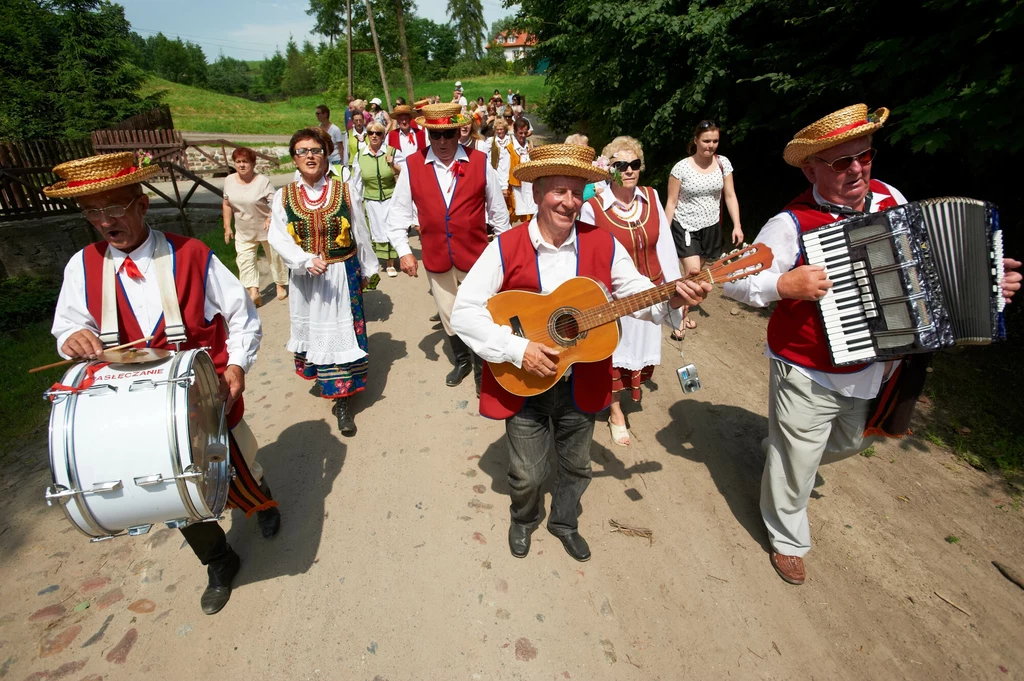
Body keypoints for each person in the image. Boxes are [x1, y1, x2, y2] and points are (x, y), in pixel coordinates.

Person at [721, 104, 1022, 586]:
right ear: (811, 167)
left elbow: (926, 272)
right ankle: (787, 538)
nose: (858, 169)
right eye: (842, 162)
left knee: (849, 444)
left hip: (877, 365)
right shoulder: (791, 223)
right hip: (807, 365)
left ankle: (781, 457)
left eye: (864, 156)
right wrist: (784, 286)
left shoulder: (890, 198)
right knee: (798, 457)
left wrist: (987, 287)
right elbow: (734, 282)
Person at [44, 151, 280, 616]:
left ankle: (261, 502)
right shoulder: (82, 266)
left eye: (115, 208)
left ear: (142, 206)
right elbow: (66, 326)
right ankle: (218, 559)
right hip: (134, 410)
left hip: (206, 395)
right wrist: (71, 337)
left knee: (240, 457)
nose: (104, 221)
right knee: (173, 488)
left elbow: (241, 316)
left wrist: (237, 366)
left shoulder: (192, 255)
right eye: (93, 211)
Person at [450, 143, 711, 562]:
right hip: (524, 380)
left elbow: (636, 293)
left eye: (577, 193)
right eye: (558, 191)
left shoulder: (602, 244)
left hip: (581, 379)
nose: (569, 202)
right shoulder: (505, 246)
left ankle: (565, 522)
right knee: (528, 473)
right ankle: (525, 517)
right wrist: (518, 348)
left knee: (577, 467)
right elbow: (464, 312)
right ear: (536, 194)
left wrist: (673, 299)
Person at [386, 103, 511, 393]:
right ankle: (463, 360)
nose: (442, 142)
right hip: (437, 256)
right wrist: (404, 251)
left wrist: (505, 254)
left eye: (449, 134)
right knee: (450, 315)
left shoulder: (479, 162)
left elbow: (499, 214)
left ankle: (484, 370)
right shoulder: (412, 166)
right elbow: (398, 215)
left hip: (476, 256)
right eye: (436, 136)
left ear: (459, 133)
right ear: (428, 135)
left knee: (481, 314)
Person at [268, 128, 378, 436]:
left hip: (342, 273)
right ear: (294, 158)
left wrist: (368, 266)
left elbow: (360, 230)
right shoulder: (284, 196)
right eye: (302, 151)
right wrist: (303, 260)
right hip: (306, 279)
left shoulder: (344, 190)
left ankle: (342, 399)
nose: (310, 156)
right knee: (317, 333)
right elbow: (276, 236)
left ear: (325, 154)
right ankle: (325, 378)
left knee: (343, 330)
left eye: (315, 150)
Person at [579, 136, 681, 446]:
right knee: (614, 354)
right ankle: (615, 412)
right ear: (608, 169)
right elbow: (587, 259)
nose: (629, 170)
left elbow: (665, 245)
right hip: (616, 300)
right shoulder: (592, 208)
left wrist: (678, 292)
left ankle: (623, 399)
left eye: (634, 164)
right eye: (620, 165)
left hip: (651, 292)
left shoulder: (650, 197)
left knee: (636, 356)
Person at [664, 119, 742, 339]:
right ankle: (679, 318)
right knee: (693, 274)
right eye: (707, 141)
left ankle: (682, 308)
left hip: (711, 227)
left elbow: (729, 195)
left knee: (700, 277)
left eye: (715, 141)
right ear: (696, 140)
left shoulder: (723, 164)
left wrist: (736, 225)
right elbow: (671, 202)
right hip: (685, 226)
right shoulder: (681, 168)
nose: (711, 145)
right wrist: (662, 234)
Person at [222, 147, 288, 307]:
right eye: (238, 162)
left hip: (266, 228)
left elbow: (277, 203)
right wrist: (227, 226)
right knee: (245, 260)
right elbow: (226, 203)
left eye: (245, 162)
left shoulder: (262, 182)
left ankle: (279, 284)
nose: (242, 165)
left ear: (253, 163)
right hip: (244, 229)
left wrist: (270, 217)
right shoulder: (229, 180)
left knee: (274, 258)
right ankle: (254, 291)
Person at [357, 120, 401, 277]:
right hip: (371, 198)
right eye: (371, 133)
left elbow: (406, 174)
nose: (374, 136)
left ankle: (391, 263)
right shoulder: (360, 155)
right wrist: (356, 201)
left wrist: (393, 164)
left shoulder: (392, 152)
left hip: (390, 196)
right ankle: (376, 260)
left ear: (383, 135)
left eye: (378, 133)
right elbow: (356, 181)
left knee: (390, 227)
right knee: (376, 230)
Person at [504, 118, 537, 224]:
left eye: (525, 133)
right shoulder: (509, 147)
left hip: (530, 186)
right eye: (520, 133)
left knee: (532, 214)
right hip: (516, 187)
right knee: (516, 214)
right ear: (514, 132)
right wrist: (504, 187)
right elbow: (504, 169)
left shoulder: (530, 145)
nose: (523, 135)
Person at [315, 104, 347, 174]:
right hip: (324, 160)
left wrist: (343, 162)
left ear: (325, 114)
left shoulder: (335, 129)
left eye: (318, 113)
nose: (316, 116)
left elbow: (340, 147)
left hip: (335, 160)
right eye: (316, 114)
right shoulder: (319, 128)